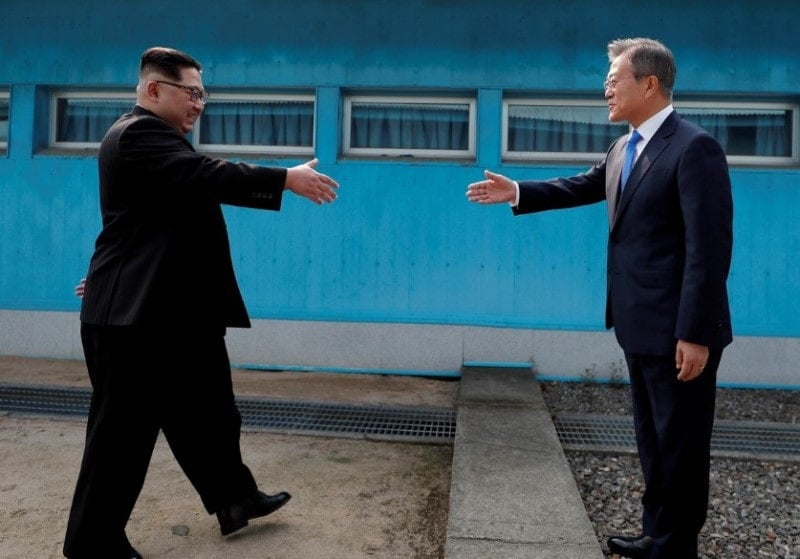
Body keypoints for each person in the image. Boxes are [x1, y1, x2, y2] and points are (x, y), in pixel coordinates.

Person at [63, 46, 339, 559]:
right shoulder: (138, 133)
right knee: (121, 437)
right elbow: (208, 175)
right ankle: (93, 543)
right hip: (135, 324)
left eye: (203, 94)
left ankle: (235, 500)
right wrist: (284, 178)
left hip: (172, 312)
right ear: (153, 90)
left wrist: (114, 273)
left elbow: (146, 225)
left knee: (211, 414)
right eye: (191, 92)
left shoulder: (162, 143)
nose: (199, 104)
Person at [466, 38, 733, 559]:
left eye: (615, 79)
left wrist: (696, 332)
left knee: (681, 443)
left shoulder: (694, 147)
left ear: (650, 84)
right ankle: (657, 535)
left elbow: (710, 247)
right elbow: (583, 185)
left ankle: (678, 546)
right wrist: (518, 191)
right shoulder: (624, 147)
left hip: (681, 328)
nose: (605, 88)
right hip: (638, 322)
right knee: (653, 441)